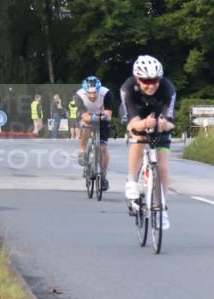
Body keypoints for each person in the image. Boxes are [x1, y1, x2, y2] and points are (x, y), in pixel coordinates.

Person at [120, 55, 176, 230]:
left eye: (154, 80)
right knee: (138, 137)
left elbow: (170, 121)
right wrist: (143, 124)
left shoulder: (168, 88)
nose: (150, 85)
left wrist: (163, 124)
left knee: (163, 166)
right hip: (136, 113)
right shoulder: (128, 87)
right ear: (137, 78)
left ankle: (161, 209)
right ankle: (131, 181)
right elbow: (133, 123)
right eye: (145, 81)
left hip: (158, 115)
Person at [75, 76, 115, 191]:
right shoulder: (79, 95)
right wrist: (92, 117)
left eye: (95, 93)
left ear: (99, 90)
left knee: (103, 148)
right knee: (86, 126)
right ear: (85, 91)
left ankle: (103, 176)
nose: (92, 96)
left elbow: (107, 115)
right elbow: (84, 116)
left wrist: (99, 117)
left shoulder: (106, 94)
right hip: (87, 115)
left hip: (102, 117)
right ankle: (82, 151)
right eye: (90, 93)